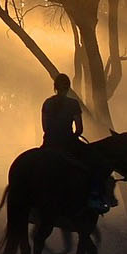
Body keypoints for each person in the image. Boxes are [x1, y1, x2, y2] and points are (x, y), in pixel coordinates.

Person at [41, 73, 114, 214]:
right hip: (68, 143)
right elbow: (79, 129)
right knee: (95, 163)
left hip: (49, 143)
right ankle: (94, 197)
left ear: (54, 87)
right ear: (68, 88)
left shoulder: (47, 103)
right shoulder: (73, 104)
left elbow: (45, 127)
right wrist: (72, 136)